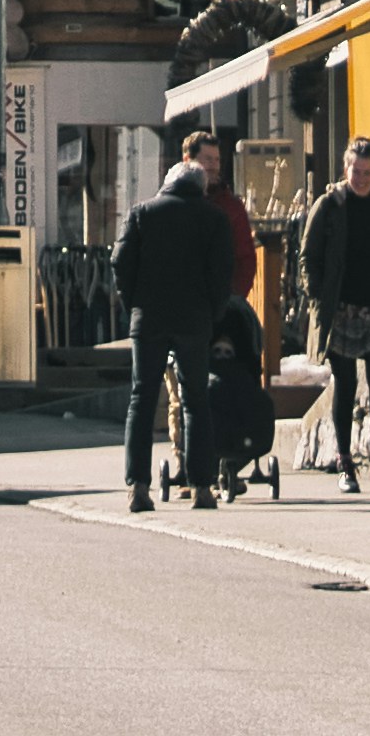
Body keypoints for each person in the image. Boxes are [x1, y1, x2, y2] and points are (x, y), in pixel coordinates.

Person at [114, 152, 232, 514]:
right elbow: (222, 271)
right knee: (196, 399)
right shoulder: (214, 218)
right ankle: (201, 486)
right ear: (200, 187)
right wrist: (213, 311)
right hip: (194, 320)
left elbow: (120, 261)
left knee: (142, 398)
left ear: (167, 182)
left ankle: (138, 486)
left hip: (148, 318)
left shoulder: (142, 213)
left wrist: (133, 302)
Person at [301, 137, 370, 493]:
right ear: (345, 169)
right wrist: (317, 295)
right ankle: (345, 461)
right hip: (341, 309)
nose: (361, 178)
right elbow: (309, 256)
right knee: (345, 386)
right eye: (356, 171)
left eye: (367, 172)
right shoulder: (329, 206)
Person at [195, 130, 260, 308]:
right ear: (188, 160)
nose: (214, 166)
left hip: (220, 306)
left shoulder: (231, 207)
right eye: (207, 159)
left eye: (217, 160)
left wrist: (233, 299)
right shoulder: (174, 204)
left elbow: (246, 259)